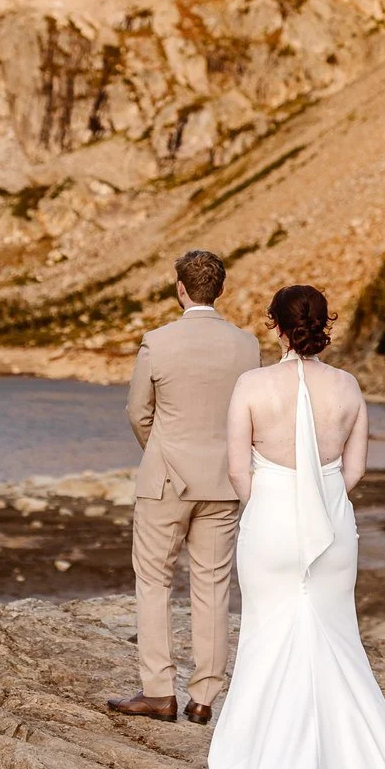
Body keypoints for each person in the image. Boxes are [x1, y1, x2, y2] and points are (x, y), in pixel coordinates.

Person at [193, 284, 385, 769]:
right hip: (332, 526)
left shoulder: (251, 386)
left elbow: (237, 470)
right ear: (322, 325)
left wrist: (274, 505)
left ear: (275, 327)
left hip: (271, 524)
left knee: (266, 637)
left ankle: (261, 766)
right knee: (336, 640)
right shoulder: (348, 387)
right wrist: (318, 498)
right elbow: (353, 472)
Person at [109, 249, 263, 724]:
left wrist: (158, 450)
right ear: (219, 290)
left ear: (180, 289)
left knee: (154, 580)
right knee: (213, 585)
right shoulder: (247, 346)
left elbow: (138, 412)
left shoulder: (157, 341)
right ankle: (203, 698)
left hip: (166, 479)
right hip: (224, 480)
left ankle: (159, 692)